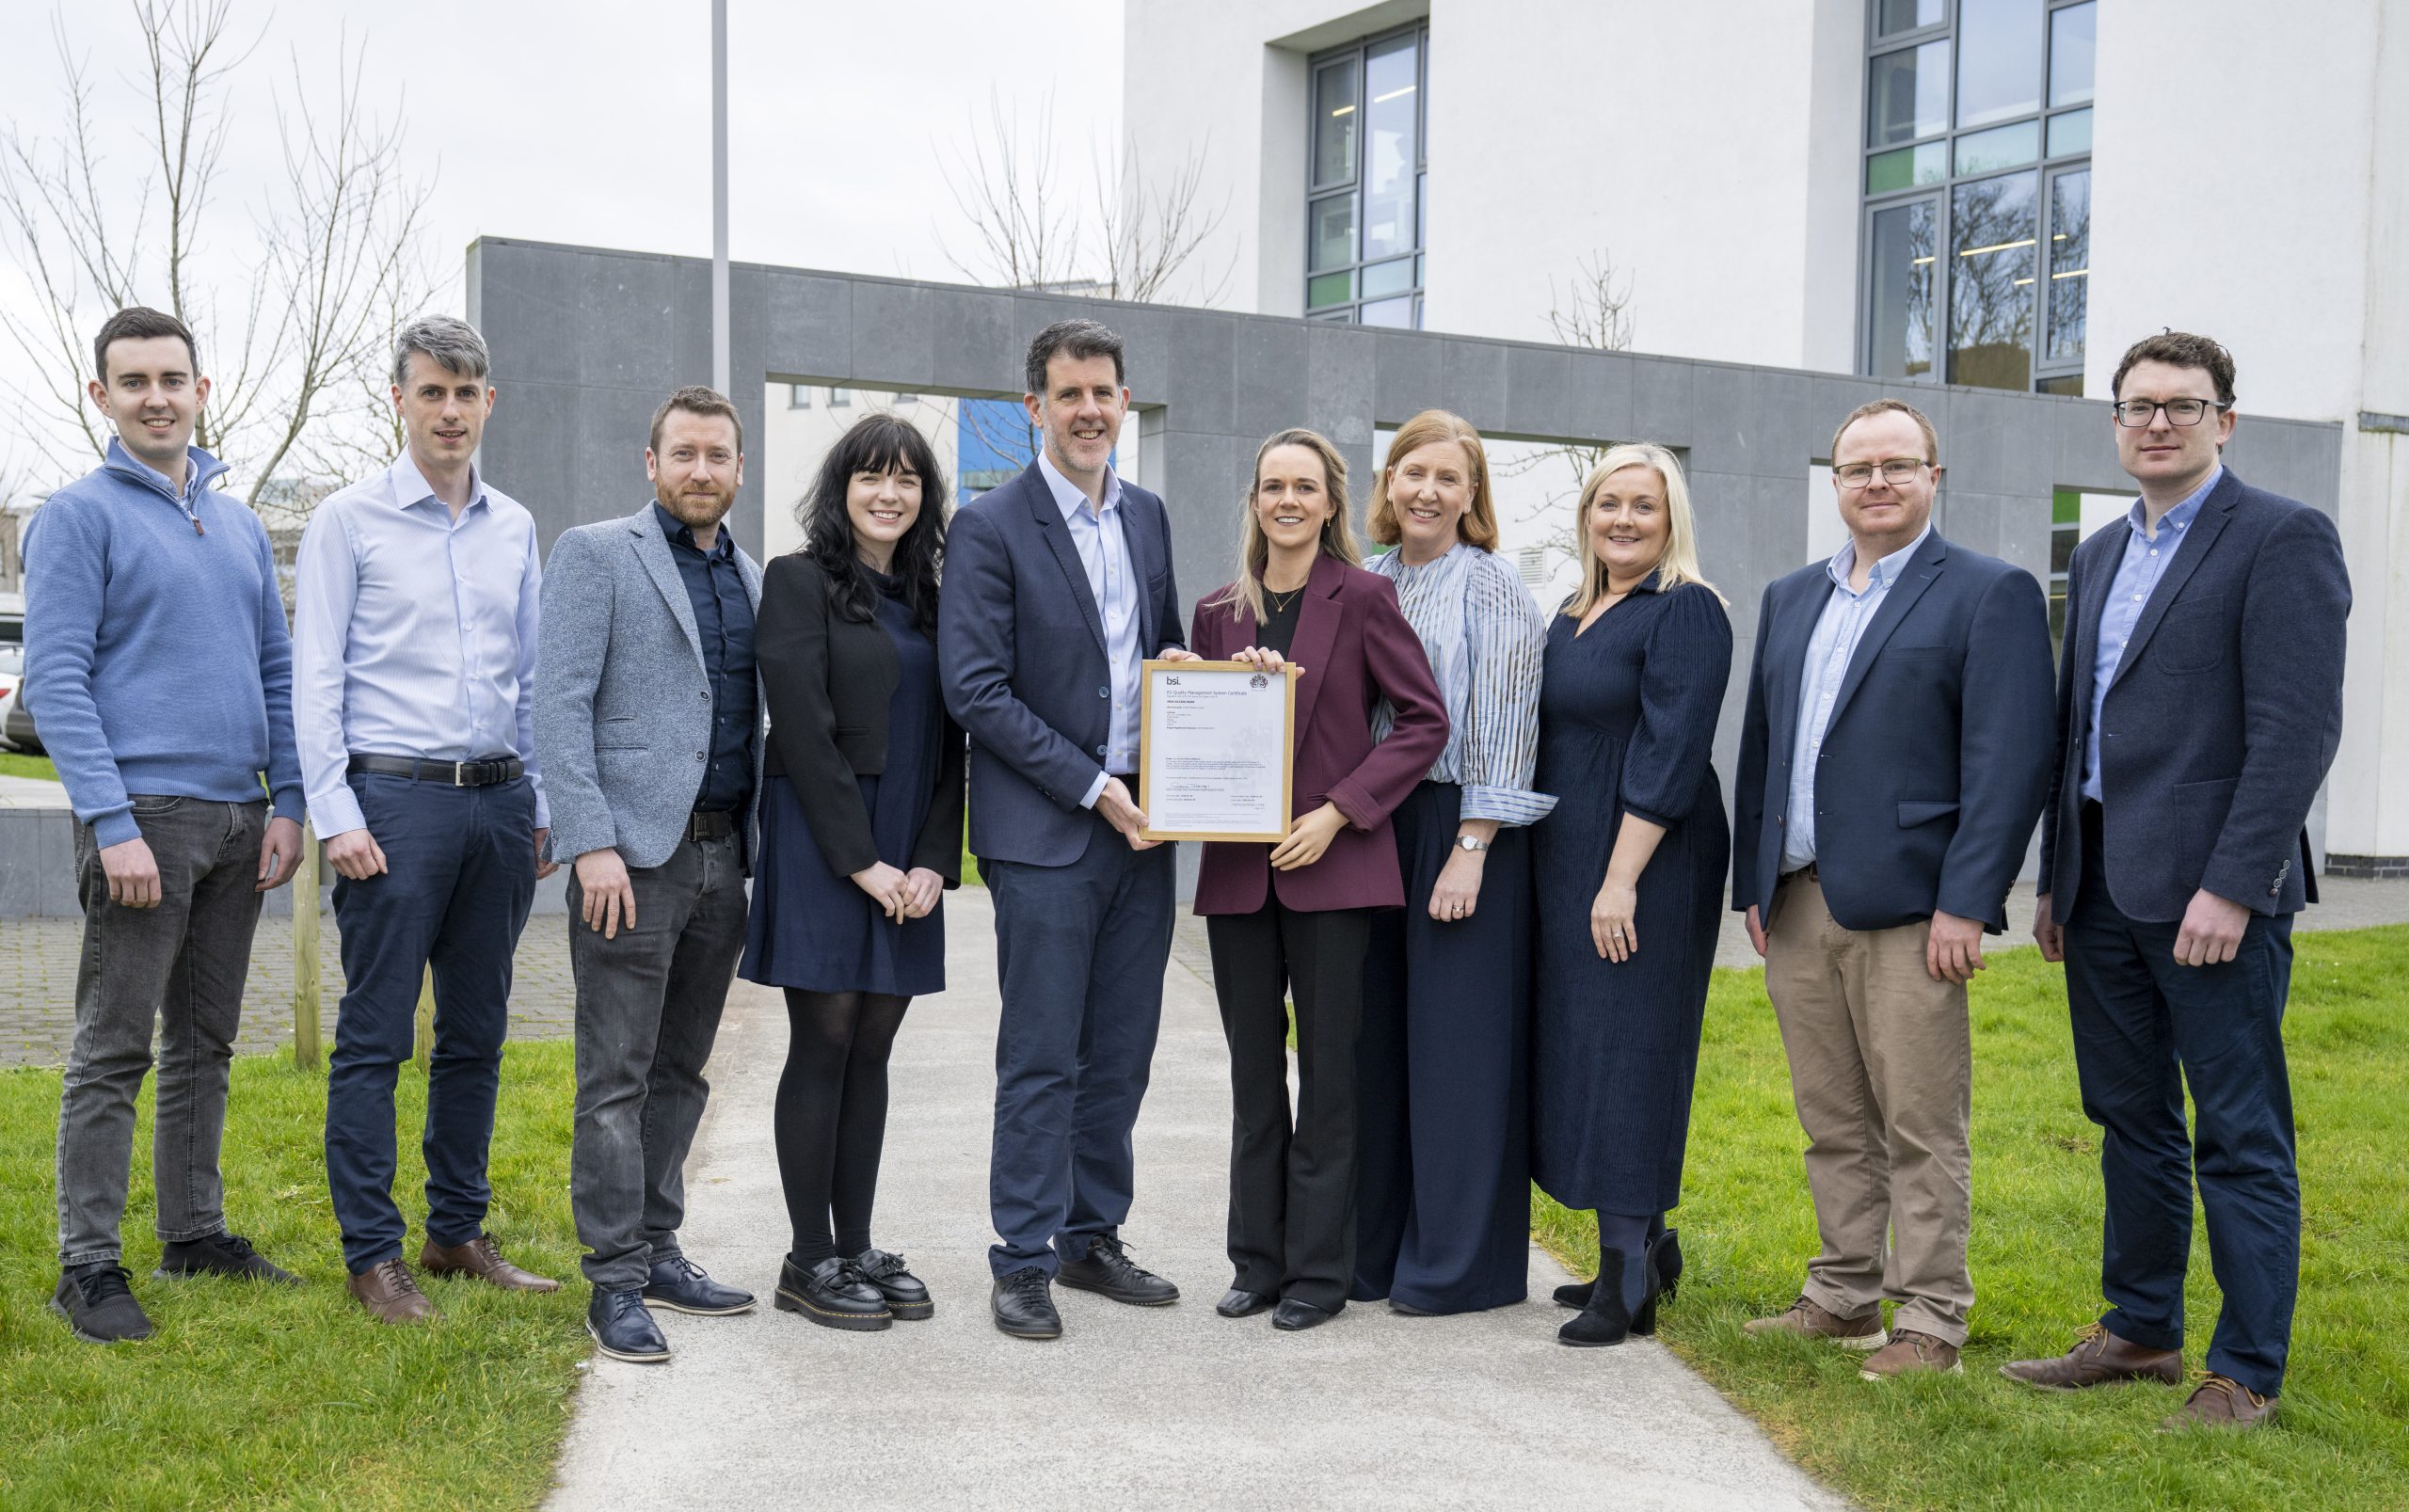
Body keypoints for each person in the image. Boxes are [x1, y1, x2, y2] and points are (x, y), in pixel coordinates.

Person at [2004, 333, 2351, 1431]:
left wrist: (2234, 883)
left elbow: (2294, 730)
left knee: (2238, 1131)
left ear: (2224, 420)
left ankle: (2243, 1368)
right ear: (2115, 422)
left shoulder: (2282, 538)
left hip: (2214, 897)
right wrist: (2058, 877)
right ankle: (2141, 1327)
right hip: (2100, 885)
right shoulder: (2100, 550)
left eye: (2182, 405)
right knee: (2128, 1115)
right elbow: (2079, 733)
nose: (2158, 422)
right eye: (2139, 405)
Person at [1731, 399, 2055, 1378]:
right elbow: (1762, 747)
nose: (1875, 481)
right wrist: (1754, 877)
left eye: (1896, 464)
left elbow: (2008, 760)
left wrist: (1968, 896)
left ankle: (1931, 1317)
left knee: (1919, 1121)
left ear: (1933, 475)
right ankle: (1841, 1291)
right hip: (1795, 900)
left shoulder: (1987, 593)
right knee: (1830, 1117)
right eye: (1856, 466)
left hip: (1914, 908)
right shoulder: (1792, 595)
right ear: (1833, 480)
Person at [24, 307, 308, 1345]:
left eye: (173, 378)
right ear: (101, 395)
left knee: (207, 1039)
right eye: (134, 379)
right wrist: (111, 820)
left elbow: (276, 666)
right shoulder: (77, 516)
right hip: (142, 816)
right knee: (113, 1047)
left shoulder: (234, 523)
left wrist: (288, 800)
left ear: (200, 388)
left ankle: (194, 1230)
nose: (157, 395)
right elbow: (55, 680)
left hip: (241, 819)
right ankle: (88, 1264)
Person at [293, 315, 559, 1324]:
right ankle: (373, 1255)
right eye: (431, 392)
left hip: (496, 805)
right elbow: (314, 676)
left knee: (477, 1032)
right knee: (374, 1039)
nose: (450, 411)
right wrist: (334, 814)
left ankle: (456, 1231)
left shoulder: (513, 526)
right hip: (392, 805)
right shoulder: (346, 521)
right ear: (399, 400)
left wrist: (533, 796)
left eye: (466, 394)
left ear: (489, 402)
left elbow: (527, 677)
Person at [938, 318, 1198, 1340]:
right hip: (1049, 828)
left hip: (1147, 827)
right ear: (1034, 409)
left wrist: (1230, 688)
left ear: (1124, 403)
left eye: (1105, 391)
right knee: (1043, 1051)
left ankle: (1092, 1235)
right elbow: (976, 689)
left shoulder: (1147, 516)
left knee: (1122, 1048)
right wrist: (1094, 786)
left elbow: (1163, 650)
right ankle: (1021, 1256)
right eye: (1070, 393)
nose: (1090, 409)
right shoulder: (991, 526)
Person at [1189, 428, 1447, 1333]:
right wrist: (1189, 685)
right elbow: (1211, 733)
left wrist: (1340, 810)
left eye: (1305, 486)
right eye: (1272, 487)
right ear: (1254, 502)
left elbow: (1423, 723)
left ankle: (1318, 1273)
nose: (1287, 501)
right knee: (1254, 1077)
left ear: (1332, 503)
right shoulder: (1217, 611)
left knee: (1328, 1076)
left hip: (1334, 868)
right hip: (1237, 877)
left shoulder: (1368, 597)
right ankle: (1255, 1260)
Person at [535, 385, 767, 1363]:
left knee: (681, 1070)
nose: (701, 470)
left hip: (724, 855)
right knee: (614, 1078)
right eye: (684, 453)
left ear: (739, 469)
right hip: (629, 862)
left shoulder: (755, 578)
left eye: (718, 455)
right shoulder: (596, 554)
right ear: (651, 461)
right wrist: (590, 840)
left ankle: (660, 1243)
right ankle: (614, 1278)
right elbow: (559, 701)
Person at [743, 413, 964, 1333]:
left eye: (907, 479)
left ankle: (856, 1241)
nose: (889, 492)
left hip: (905, 840)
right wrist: (861, 860)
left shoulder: (938, 599)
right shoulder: (797, 583)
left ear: (926, 498)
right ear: (841, 488)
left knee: (873, 1045)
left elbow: (957, 740)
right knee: (825, 1037)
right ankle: (807, 1256)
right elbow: (799, 728)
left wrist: (926, 861)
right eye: (871, 475)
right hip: (823, 835)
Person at [1348, 410, 1550, 1318]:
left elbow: (1509, 726)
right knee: (1374, 1046)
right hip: (1368, 824)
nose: (1427, 490)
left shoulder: (1492, 585)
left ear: (1473, 497)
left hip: (1461, 826)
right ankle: (1373, 1254)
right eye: (1412, 472)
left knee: (1456, 1053)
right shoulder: (1365, 577)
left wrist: (1471, 847)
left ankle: (1459, 1265)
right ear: (1388, 483)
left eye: (1448, 478)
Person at [1530, 444, 1731, 1348]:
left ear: (1670, 517)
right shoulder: (1576, 608)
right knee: (1591, 1041)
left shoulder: (1684, 608)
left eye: (1642, 506)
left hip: (1647, 860)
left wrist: (1621, 878)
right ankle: (1647, 1245)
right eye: (1608, 502)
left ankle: (1627, 1279)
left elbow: (1671, 752)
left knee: (1631, 1050)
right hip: (1574, 853)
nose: (1623, 519)